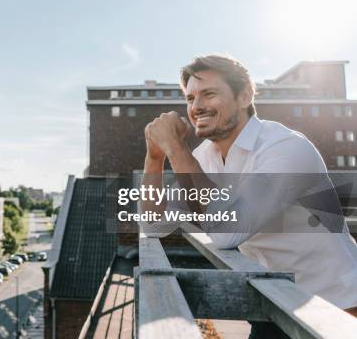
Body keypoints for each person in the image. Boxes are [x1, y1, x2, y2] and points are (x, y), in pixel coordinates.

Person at [140, 54, 357, 338]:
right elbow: (153, 224)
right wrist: (154, 156)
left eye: (208, 94)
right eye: (190, 98)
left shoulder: (285, 148)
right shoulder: (203, 157)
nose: (196, 106)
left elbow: (229, 230)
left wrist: (175, 149)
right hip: (275, 295)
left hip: (335, 304)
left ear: (244, 96)